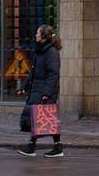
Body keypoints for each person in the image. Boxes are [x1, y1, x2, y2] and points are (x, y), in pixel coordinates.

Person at [17, 25, 64, 158]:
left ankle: (32, 146)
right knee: (46, 118)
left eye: (38, 33)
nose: (35, 35)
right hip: (37, 89)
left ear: (43, 36)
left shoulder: (51, 52)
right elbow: (33, 72)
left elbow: (53, 74)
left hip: (44, 90)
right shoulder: (40, 51)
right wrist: (23, 87)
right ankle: (57, 146)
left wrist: (47, 93)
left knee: (40, 117)